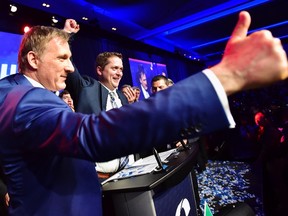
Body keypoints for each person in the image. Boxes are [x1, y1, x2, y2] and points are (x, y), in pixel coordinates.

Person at [0, 11, 287, 216]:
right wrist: (226, 77)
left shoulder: (25, 94)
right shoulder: (22, 98)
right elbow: (93, 134)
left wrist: (65, 36)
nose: (72, 67)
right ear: (33, 60)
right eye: (63, 58)